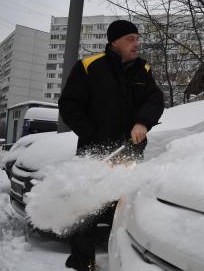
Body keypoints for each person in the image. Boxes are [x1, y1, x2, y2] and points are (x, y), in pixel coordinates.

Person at [58, 20, 164, 271]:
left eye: (138, 38)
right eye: (130, 39)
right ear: (114, 41)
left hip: (129, 152)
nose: (137, 44)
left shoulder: (143, 69)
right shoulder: (89, 67)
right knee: (87, 210)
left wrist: (142, 122)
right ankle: (83, 263)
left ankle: (124, 261)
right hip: (94, 154)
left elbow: (154, 99)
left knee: (123, 209)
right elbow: (69, 106)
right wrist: (92, 135)